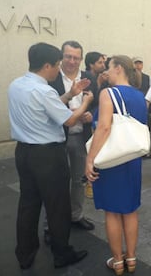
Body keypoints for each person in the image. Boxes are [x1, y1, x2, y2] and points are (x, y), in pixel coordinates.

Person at [8, 42, 93, 269]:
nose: (59, 69)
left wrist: (69, 94)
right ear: (47, 65)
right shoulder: (44, 90)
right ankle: (61, 253)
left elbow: (48, 108)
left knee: (28, 204)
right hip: (48, 155)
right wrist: (85, 101)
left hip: (23, 153)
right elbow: (68, 120)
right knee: (58, 206)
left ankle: (25, 255)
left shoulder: (16, 85)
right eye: (57, 64)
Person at [85, 55, 146, 276]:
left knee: (112, 212)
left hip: (110, 159)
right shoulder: (140, 96)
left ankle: (118, 262)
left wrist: (90, 159)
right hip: (131, 159)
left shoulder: (107, 93)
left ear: (118, 68)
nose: (106, 72)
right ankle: (131, 258)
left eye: (109, 68)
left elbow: (103, 128)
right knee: (130, 210)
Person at [49, 40, 97, 232]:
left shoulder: (88, 77)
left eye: (76, 58)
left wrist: (90, 115)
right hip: (57, 136)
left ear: (81, 59)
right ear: (62, 57)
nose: (72, 61)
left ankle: (76, 215)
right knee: (56, 181)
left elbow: (96, 103)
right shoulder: (52, 77)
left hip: (80, 136)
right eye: (68, 56)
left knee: (79, 179)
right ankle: (50, 224)